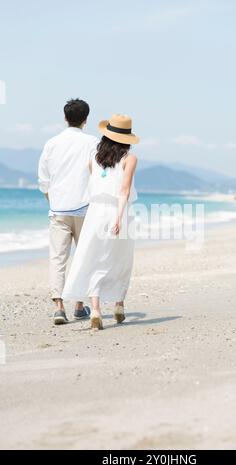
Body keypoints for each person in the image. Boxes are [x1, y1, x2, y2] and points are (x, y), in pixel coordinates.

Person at [62, 114, 139, 330]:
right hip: (118, 211)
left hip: (95, 212)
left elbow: (94, 183)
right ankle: (118, 305)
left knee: (94, 258)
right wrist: (118, 217)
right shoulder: (129, 158)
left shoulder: (93, 158)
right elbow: (123, 190)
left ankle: (95, 310)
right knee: (120, 260)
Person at [38, 98, 99, 325]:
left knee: (57, 258)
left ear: (65, 118)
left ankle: (58, 307)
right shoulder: (92, 142)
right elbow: (97, 173)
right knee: (84, 257)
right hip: (86, 209)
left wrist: (52, 201)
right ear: (86, 119)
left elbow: (43, 181)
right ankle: (80, 305)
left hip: (59, 210)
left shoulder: (51, 143)